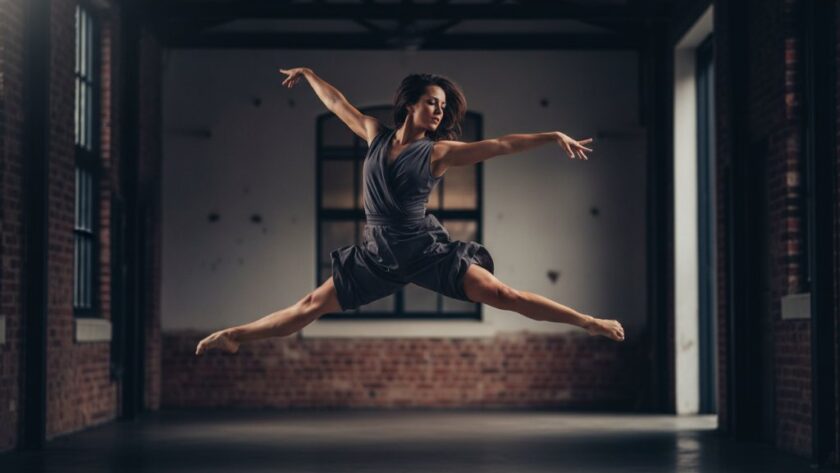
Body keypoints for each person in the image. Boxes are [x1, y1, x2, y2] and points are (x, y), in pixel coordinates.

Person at [195, 67, 624, 355]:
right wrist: (308, 75)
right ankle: (236, 336)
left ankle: (587, 322)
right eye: (432, 103)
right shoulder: (374, 135)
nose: (439, 111)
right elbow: (337, 104)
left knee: (504, 295)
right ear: (410, 105)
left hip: (425, 252)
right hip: (377, 257)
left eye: (442, 106)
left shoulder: (439, 153)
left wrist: (552, 135)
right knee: (309, 304)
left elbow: (501, 145)